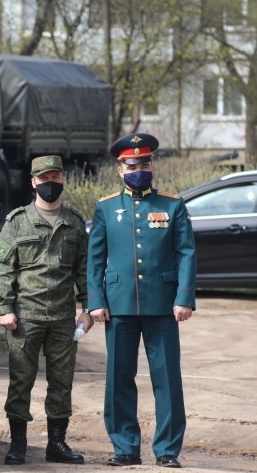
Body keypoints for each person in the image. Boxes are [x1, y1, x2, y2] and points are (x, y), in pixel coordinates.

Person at [87, 133, 196, 469]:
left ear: (153, 165)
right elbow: (95, 259)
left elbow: (186, 253)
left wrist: (184, 297)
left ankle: (167, 449)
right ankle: (125, 446)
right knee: (119, 378)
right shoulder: (106, 207)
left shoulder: (172, 205)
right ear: (120, 169)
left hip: (163, 306)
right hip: (118, 306)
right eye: (132, 164)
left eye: (144, 163)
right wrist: (95, 300)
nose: (139, 169)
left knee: (167, 380)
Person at [0, 155, 92, 466]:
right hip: (25, 316)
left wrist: (88, 307)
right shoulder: (17, 221)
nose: (50, 184)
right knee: (21, 380)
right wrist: (5, 307)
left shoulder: (74, 223)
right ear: (33, 182)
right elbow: (2, 267)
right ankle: (18, 444)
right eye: (44, 178)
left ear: (63, 180)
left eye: (56, 178)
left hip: (63, 318)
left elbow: (84, 270)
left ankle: (56, 444)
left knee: (62, 382)